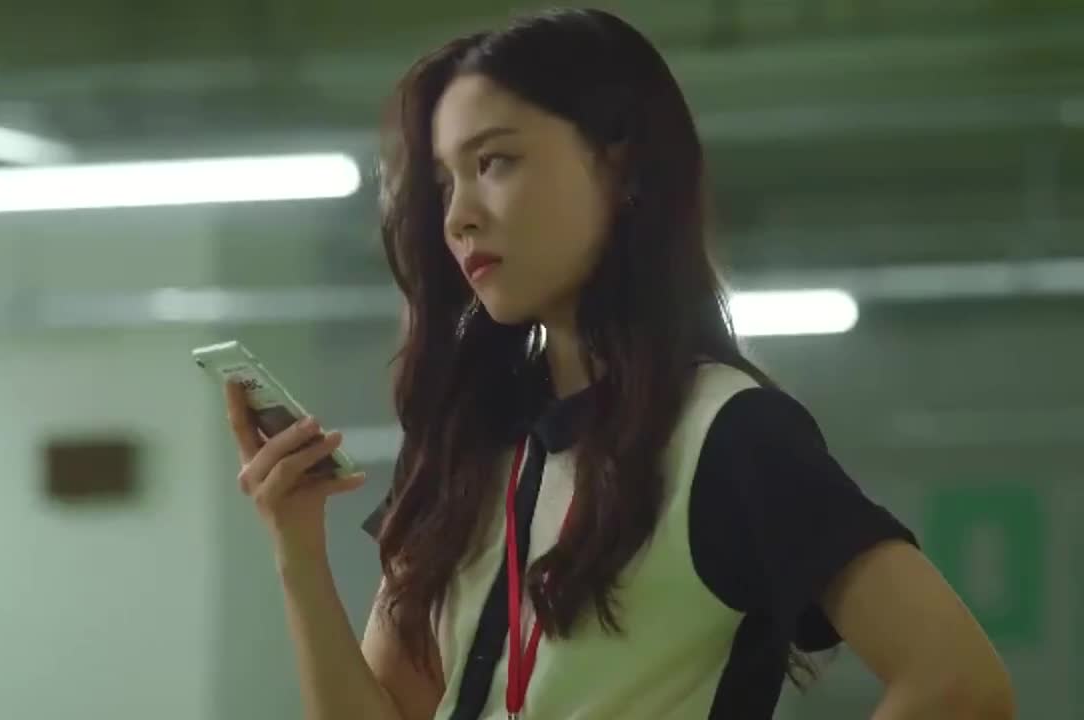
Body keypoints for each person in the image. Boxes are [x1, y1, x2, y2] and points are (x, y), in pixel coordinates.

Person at [225, 8, 1015, 720]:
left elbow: (959, 684)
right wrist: (297, 549)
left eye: (495, 162)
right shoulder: (469, 445)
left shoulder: (729, 435)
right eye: (444, 183)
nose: (459, 216)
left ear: (623, 165)